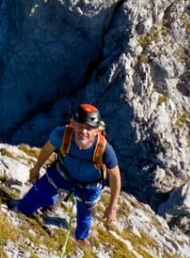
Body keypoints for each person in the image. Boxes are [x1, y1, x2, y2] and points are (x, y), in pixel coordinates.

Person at [16, 103, 121, 247]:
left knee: (85, 214)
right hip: (62, 173)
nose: (83, 131)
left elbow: (115, 176)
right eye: (80, 125)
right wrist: (36, 168)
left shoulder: (104, 149)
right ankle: (51, 200)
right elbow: (47, 150)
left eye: (89, 128)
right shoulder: (62, 134)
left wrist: (112, 206)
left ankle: (81, 238)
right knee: (24, 207)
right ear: (73, 123)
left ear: (96, 131)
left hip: (88, 185)